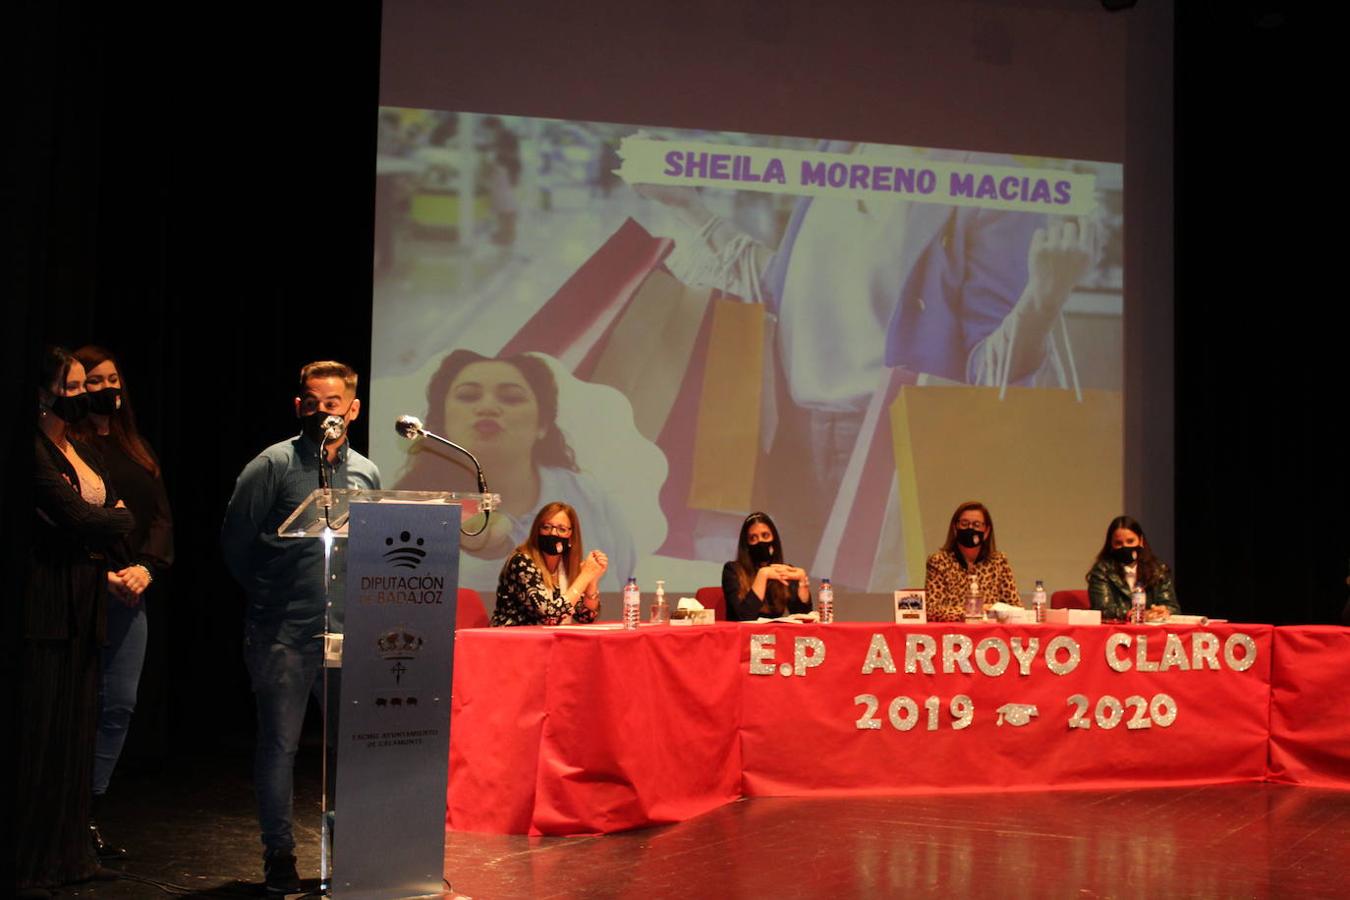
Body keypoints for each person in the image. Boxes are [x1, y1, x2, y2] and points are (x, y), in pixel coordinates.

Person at [220, 361, 380, 895]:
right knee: (280, 746)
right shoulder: (273, 465)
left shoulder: (365, 473)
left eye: (332, 404)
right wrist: (272, 595)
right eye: (311, 403)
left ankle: (347, 852)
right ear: (298, 406)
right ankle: (280, 856)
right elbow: (236, 543)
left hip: (345, 632)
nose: (321, 412)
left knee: (348, 750)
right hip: (283, 633)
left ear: (352, 410)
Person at [19, 347, 136, 897]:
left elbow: (119, 511)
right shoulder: (31, 448)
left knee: (75, 739)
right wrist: (108, 520)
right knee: (40, 740)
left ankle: (70, 857)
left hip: (85, 607)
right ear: (43, 392)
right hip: (45, 607)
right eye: (70, 387)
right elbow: (78, 515)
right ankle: (28, 865)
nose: (81, 396)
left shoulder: (79, 450)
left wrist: (108, 520)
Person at [395, 349, 635, 593]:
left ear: (542, 424)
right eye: (468, 396)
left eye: (511, 398)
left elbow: (625, 585)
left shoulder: (586, 496)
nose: (487, 407)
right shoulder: (417, 505)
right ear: (443, 420)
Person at [68, 345, 174, 860]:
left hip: (131, 592)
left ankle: (89, 810)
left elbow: (160, 517)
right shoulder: (67, 446)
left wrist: (146, 568)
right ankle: (58, 814)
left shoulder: (137, 446)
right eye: (94, 382)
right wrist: (103, 573)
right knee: (74, 703)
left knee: (119, 705)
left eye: (113, 380)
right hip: (84, 587)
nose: (107, 389)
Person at [491, 502, 607, 626]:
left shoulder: (564, 566)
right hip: (511, 635)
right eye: (546, 527)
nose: (553, 533)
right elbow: (549, 617)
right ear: (537, 530)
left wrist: (591, 581)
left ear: (571, 536)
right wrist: (584, 576)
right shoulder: (521, 561)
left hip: (544, 636)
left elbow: (586, 617)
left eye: (562, 529)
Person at [923, 501, 1020, 622]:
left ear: (986, 531)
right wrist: (975, 611)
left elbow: (1015, 608)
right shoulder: (939, 562)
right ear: (955, 528)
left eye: (976, 525)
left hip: (989, 631)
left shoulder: (998, 562)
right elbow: (931, 610)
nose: (970, 528)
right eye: (964, 524)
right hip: (953, 631)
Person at [721, 512, 813, 621]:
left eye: (765, 536)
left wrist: (802, 582)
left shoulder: (783, 570)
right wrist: (763, 575)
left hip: (774, 631)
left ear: (774, 540)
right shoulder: (732, 570)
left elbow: (803, 618)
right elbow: (745, 617)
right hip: (743, 631)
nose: (760, 542)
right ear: (746, 544)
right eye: (753, 538)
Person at [1086, 516, 1180, 622]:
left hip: (1153, 628)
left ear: (1141, 540)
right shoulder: (1102, 570)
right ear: (1111, 544)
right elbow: (1103, 610)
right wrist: (1136, 615)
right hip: (1117, 629)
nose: (1125, 547)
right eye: (1118, 543)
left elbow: (1173, 608)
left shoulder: (1158, 570)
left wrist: (1162, 611)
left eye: (1130, 541)